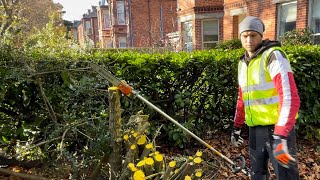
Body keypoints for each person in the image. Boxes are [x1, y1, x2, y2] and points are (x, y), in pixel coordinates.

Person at [230, 16, 300, 180]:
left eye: (253, 35)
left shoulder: (273, 56)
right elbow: (243, 98)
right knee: (257, 173)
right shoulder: (243, 63)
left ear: (261, 36)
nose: (249, 40)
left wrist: (281, 135)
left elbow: (290, 97)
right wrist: (237, 126)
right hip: (256, 131)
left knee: (286, 175)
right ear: (240, 37)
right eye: (244, 36)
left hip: (277, 131)